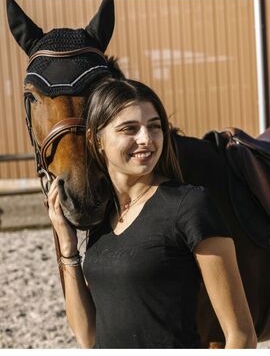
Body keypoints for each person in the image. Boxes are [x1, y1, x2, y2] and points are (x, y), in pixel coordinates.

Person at [48, 78, 257, 349]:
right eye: (129, 129)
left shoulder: (190, 205)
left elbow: (241, 335)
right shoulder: (103, 220)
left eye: (154, 127)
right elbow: (88, 337)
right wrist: (68, 247)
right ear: (96, 139)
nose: (146, 139)